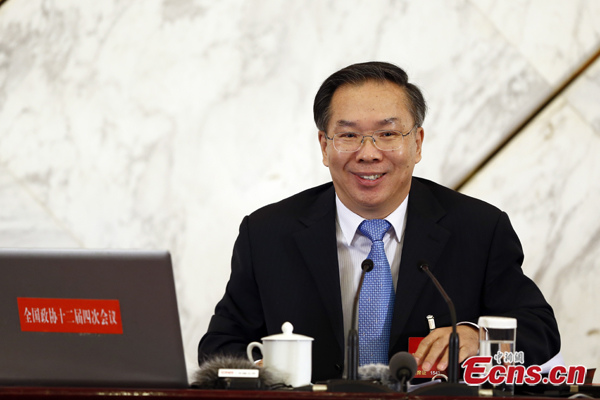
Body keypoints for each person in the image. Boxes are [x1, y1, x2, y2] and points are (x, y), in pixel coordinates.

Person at [198, 61, 560, 382]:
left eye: (388, 134)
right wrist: (262, 376)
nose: (368, 153)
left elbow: (539, 329)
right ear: (324, 146)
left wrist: (477, 339)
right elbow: (220, 346)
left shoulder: (479, 228)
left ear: (417, 143)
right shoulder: (267, 234)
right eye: (349, 135)